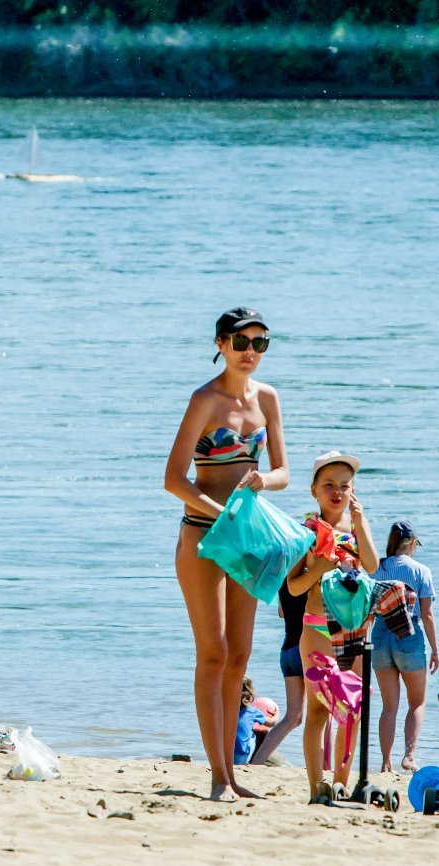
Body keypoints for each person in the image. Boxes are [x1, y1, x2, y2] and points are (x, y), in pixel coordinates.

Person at [163, 308, 291, 801]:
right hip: (202, 535)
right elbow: (174, 479)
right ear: (220, 343)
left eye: (260, 342)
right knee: (212, 654)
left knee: (238, 655)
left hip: (245, 537)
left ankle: (234, 776)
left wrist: (264, 480)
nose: (250, 351)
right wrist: (221, 512)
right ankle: (218, 777)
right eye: (241, 341)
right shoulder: (204, 400)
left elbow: (282, 471)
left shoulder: (269, 399)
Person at [285, 451, 379, 804]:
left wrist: (361, 521)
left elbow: (370, 566)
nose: (337, 492)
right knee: (319, 710)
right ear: (314, 491)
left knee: (353, 710)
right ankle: (315, 788)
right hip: (317, 628)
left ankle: (340, 783)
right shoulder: (305, 530)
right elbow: (293, 586)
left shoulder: (357, 526)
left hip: (354, 631)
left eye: (344, 485)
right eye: (329, 485)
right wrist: (319, 568)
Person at [371, 520, 439, 772]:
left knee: (389, 706)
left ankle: (385, 762)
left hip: (379, 633)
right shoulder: (421, 571)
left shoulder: (376, 568)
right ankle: (409, 755)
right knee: (417, 703)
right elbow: (427, 614)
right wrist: (434, 649)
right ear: (411, 544)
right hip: (408, 635)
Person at [247, 581, 306, 765]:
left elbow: (281, 612)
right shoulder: (310, 578)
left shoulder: (285, 581)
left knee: (293, 717)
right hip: (306, 649)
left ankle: (257, 761)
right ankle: (324, 766)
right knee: (320, 715)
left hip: (287, 652)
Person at [234, 677, 275, 764]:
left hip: (222, 755)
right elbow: (272, 723)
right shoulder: (251, 710)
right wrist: (277, 713)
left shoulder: (222, 709)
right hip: (240, 756)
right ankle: (254, 759)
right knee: (257, 733)